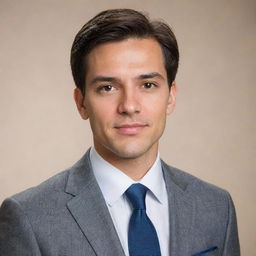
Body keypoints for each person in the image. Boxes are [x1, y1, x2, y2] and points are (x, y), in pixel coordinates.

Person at [0, 8, 240, 256]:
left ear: (171, 97)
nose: (129, 106)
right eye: (107, 87)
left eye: (148, 85)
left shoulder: (217, 207)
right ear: (81, 102)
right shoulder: (29, 217)